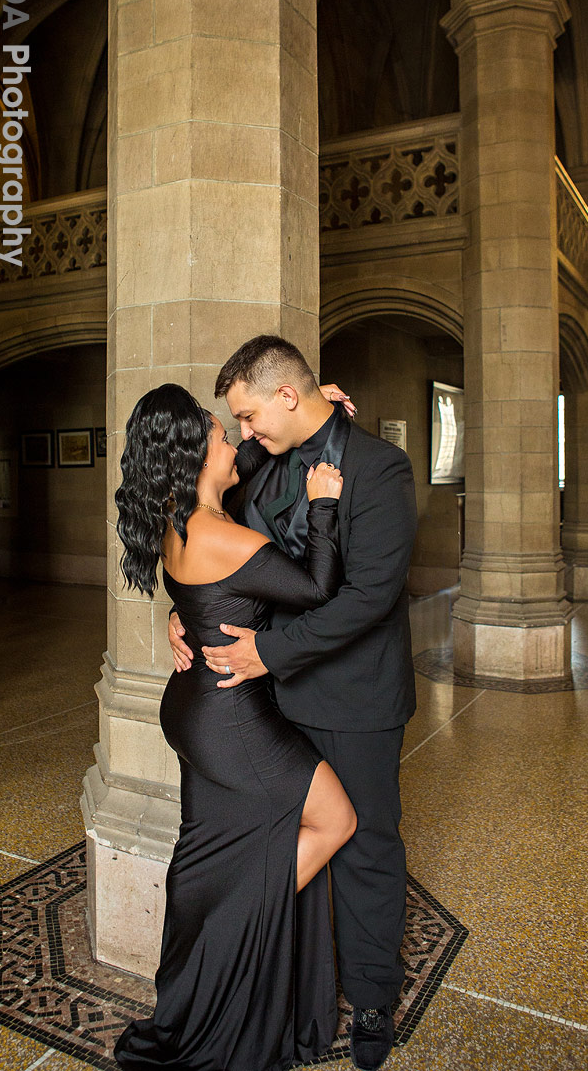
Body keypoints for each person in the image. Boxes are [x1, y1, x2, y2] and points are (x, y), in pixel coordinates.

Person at [169, 336, 418, 1071]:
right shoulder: (254, 464)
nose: (243, 434)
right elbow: (208, 546)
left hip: (352, 697)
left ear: (286, 394)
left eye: (248, 415)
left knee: (365, 842)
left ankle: (372, 994)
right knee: (276, 835)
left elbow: (370, 595)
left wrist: (267, 652)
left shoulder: (378, 467)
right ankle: (292, 983)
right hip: (263, 703)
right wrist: (185, 615)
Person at [113, 382, 357, 1071]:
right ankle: (229, 955)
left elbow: (199, 590)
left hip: (195, 706)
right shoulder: (219, 533)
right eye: (222, 435)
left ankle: (201, 978)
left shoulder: (177, 522)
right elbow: (314, 590)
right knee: (333, 822)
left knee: (212, 859)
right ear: (195, 459)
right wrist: (324, 506)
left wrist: (312, 406)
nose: (235, 440)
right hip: (231, 719)